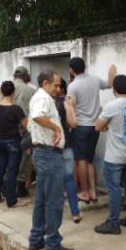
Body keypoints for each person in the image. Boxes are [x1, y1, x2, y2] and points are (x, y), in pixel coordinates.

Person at [28, 70, 75, 250]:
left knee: (41, 200)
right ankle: (53, 244)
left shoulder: (40, 97)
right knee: (54, 202)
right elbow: (37, 117)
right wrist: (56, 128)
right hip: (49, 154)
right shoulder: (43, 98)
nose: (59, 88)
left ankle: (36, 239)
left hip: (44, 153)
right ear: (46, 83)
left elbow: (33, 122)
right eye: (56, 85)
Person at [95, 75, 126, 235]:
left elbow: (98, 126)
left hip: (114, 156)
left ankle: (113, 223)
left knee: (114, 189)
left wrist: (107, 126)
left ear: (114, 89)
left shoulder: (111, 105)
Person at [67, 57, 116, 203]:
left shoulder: (73, 86)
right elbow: (109, 84)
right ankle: (94, 192)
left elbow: (70, 105)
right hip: (95, 127)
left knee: (81, 160)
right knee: (89, 160)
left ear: (71, 70)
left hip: (81, 127)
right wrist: (111, 73)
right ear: (85, 66)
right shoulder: (94, 80)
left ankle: (85, 192)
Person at [0, 81, 29, 207]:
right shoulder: (16, 109)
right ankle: (11, 200)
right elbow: (26, 125)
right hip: (13, 141)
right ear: (14, 92)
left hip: (0, 141)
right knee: (12, 171)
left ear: (1, 91)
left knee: (0, 169)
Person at [55, 78, 81, 223]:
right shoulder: (65, 102)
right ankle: (75, 212)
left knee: (54, 181)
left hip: (52, 147)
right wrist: (70, 106)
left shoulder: (44, 102)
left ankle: (54, 213)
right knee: (69, 179)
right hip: (67, 145)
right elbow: (73, 123)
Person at [13, 66, 36, 197]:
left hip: (8, 129)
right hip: (25, 128)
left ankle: (7, 186)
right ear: (26, 76)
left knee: (10, 157)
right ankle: (21, 187)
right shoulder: (31, 90)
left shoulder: (5, 88)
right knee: (24, 157)